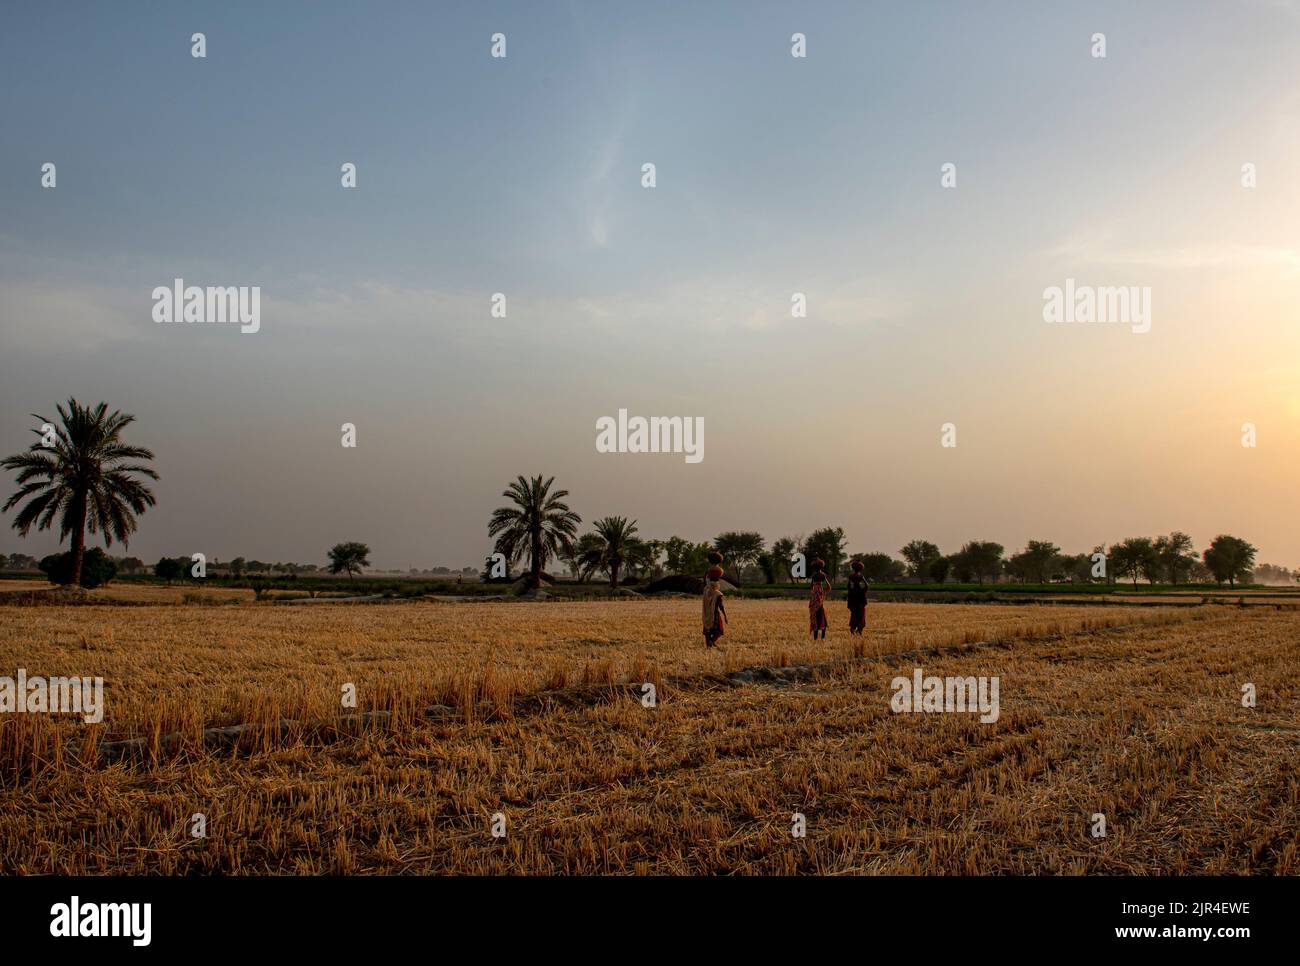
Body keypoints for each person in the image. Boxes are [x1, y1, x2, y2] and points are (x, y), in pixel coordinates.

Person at [702, 558, 727, 648]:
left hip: (706, 615)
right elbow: (721, 606)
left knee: (707, 632)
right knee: (719, 631)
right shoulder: (718, 594)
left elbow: (704, 581)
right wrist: (725, 616)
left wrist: (707, 572)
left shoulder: (706, 591)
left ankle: (709, 645)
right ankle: (711, 642)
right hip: (715, 616)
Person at [846, 559, 868, 635]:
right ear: (860, 568)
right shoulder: (860, 576)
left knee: (854, 615)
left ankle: (852, 629)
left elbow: (848, 586)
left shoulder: (851, 576)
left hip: (853, 598)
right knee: (861, 615)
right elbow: (867, 586)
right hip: (860, 598)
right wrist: (863, 579)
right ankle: (859, 630)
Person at [808, 559, 829, 639]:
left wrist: (813, 593)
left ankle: (815, 637)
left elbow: (810, 586)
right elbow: (828, 587)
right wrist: (823, 591)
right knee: (821, 611)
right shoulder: (823, 575)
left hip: (814, 594)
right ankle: (823, 637)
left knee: (814, 613)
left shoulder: (814, 576)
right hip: (820, 592)